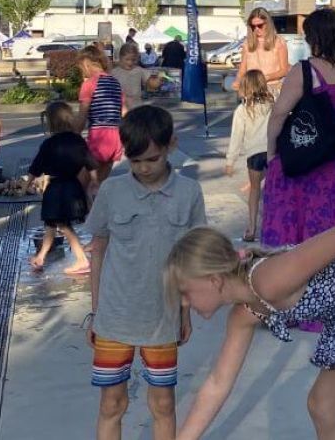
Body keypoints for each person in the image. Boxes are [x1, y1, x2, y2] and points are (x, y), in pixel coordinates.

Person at [165, 225, 335, 440]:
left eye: (185, 293)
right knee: (323, 406)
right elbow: (216, 384)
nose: (185, 303)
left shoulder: (267, 280)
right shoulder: (243, 313)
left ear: (214, 280)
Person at [84, 105, 207, 440]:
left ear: (171, 145)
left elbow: (191, 258)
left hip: (162, 319)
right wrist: (95, 312)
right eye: (135, 160)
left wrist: (185, 311)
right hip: (114, 319)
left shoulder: (189, 193)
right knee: (111, 404)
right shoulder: (112, 191)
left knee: (164, 405)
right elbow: (97, 252)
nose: (143, 168)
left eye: (151, 159)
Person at [262, 7, 335, 248]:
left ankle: (307, 262)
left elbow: (279, 114)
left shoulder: (305, 71)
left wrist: (272, 152)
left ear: (314, 38)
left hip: (313, 152)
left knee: (308, 208)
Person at [28, 101, 93, 275]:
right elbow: (90, 164)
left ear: (50, 122)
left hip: (57, 189)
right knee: (51, 223)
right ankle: (41, 256)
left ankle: (82, 259)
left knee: (62, 224)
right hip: (73, 186)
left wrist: (26, 184)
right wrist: (94, 186)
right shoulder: (78, 140)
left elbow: (36, 167)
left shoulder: (50, 144)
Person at [225, 70, 274, 243]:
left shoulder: (243, 110)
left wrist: (230, 161)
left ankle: (252, 228)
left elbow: (236, 136)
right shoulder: (272, 104)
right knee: (272, 191)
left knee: (254, 190)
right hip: (272, 152)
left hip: (254, 155)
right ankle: (271, 226)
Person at [78, 45, 125, 188]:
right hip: (115, 138)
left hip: (99, 138)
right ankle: (96, 209)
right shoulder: (115, 83)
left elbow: (82, 116)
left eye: (81, 68)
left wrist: (73, 135)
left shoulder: (89, 84)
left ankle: (82, 209)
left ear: (86, 64)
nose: (82, 72)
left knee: (80, 184)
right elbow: (124, 111)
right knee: (99, 186)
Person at [236, 7, 291, 93]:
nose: (256, 29)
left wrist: (266, 77)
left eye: (260, 25)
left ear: (268, 24)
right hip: (251, 90)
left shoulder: (279, 42)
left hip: (272, 89)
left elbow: (284, 70)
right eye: (253, 26)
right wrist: (238, 81)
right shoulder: (247, 43)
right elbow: (242, 69)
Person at [111, 42, 151, 111]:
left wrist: (157, 81)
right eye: (127, 59)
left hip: (136, 108)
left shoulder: (139, 70)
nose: (130, 63)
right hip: (119, 108)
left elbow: (151, 83)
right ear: (120, 57)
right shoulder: (113, 72)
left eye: (133, 60)